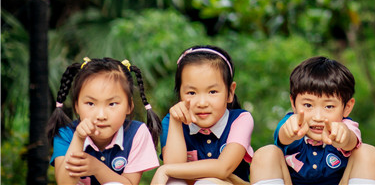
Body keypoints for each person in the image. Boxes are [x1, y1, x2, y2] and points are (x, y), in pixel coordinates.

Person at [249, 56, 375, 185]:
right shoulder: (293, 123)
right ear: (293, 103)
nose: (318, 117)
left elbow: (351, 141)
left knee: (367, 152)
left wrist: (343, 138)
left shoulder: (345, 127)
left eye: (329, 106)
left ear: (347, 107)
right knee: (265, 153)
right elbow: (283, 136)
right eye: (308, 105)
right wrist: (289, 133)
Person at [47, 56, 162, 185]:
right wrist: (78, 139)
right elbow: (64, 183)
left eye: (112, 104)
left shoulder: (137, 133)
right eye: (90, 103)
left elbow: (129, 184)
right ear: (76, 106)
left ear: (129, 106)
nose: (101, 115)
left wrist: (97, 168)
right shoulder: (66, 134)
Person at [152, 45, 254, 184]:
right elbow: (174, 171)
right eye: (191, 93)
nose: (201, 103)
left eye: (212, 92)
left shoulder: (240, 120)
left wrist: (164, 170)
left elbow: (223, 168)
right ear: (180, 94)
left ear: (230, 92)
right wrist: (176, 122)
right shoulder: (171, 122)